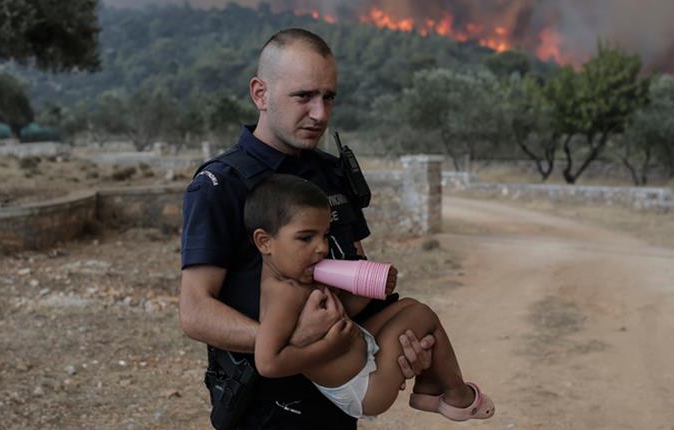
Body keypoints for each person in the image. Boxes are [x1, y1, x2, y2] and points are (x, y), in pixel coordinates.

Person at [179, 28, 436, 429]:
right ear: (260, 94)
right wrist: (286, 338)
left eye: (328, 97)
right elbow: (195, 311)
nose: (320, 113)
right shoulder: (221, 184)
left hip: (336, 403)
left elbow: (352, 279)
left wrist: (397, 348)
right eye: (304, 96)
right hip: (266, 411)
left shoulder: (331, 173)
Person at [247, 174, 495, 421]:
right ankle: (456, 394)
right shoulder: (283, 294)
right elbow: (268, 363)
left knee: (409, 306)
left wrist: (371, 289)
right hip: (365, 387)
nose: (322, 247)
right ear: (264, 241)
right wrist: (327, 347)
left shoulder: (296, 276)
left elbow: (341, 313)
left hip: (360, 351)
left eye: (324, 235)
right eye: (306, 238)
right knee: (422, 315)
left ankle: (428, 386)